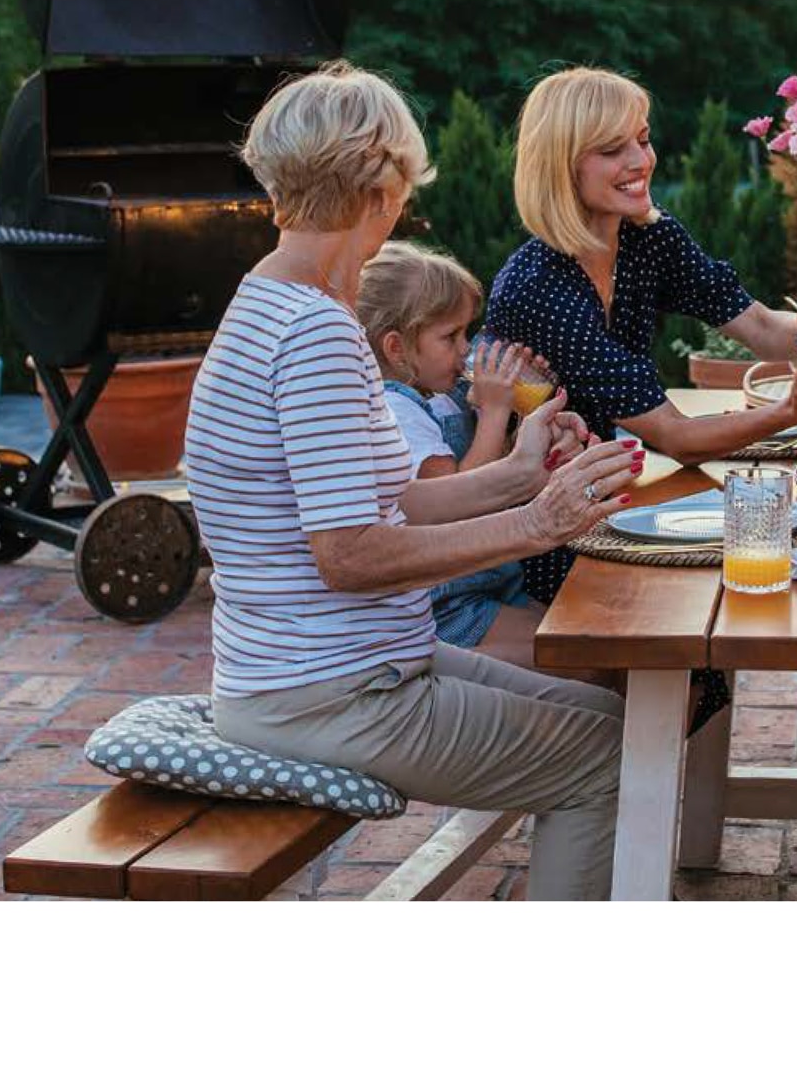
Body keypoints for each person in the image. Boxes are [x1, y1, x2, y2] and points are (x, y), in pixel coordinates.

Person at [186, 62, 637, 902]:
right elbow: (349, 556)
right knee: (612, 763)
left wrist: (516, 472)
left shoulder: (274, 299)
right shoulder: (317, 332)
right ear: (383, 182)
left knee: (623, 723)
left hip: (330, 673)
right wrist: (538, 523)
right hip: (329, 694)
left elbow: (390, 505)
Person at [485, 64, 797, 625]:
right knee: (716, 625)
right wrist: (792, 409)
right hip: (543, 533)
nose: (640, 161)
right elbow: (679, 439)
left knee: (733, 616)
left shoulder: (648, 239)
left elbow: (764, 332)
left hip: (614, 497)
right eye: (612, 150)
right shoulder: (540, 287)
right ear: (562, 166)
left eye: (642, 140)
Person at [356, 239, 551, 663]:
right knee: (573, 653)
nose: (466, 349)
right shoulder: (398, 412)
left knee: (579, 633)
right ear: (396, 348)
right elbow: (457, 499)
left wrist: (516, 414)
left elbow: (497, 474)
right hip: (451, 609)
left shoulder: (442, 395)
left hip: (491, 583)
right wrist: (496, 412)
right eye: (450, 336)